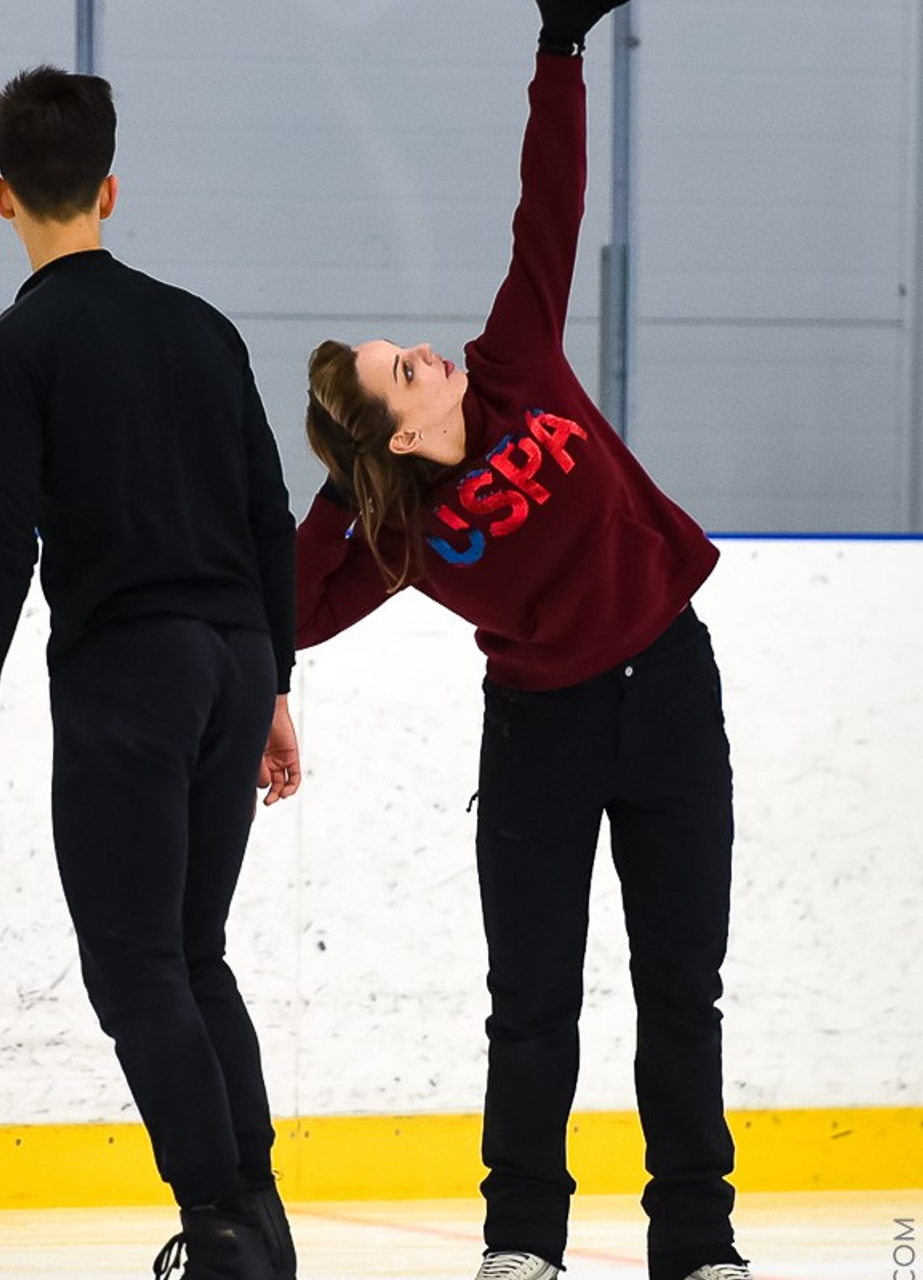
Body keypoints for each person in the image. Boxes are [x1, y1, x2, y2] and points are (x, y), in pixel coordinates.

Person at [285, 3, 752, 1279]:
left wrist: (557, 47)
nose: (427, 350)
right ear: (391, 429)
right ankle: (520, 1244)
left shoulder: (517, 361)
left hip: (669, 691)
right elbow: (289, 608)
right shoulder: (395, 533)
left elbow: (547, 204)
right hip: (541, 736)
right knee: (532, 1006)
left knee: (679, 990)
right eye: (405, 367)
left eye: (412, 347)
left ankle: (696, 1243)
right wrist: (339, 492)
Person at [0, 67, 302, 1280]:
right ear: (109, 186)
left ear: (0, 195)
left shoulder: (15, 345)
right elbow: (264, 508)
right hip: (235, 655)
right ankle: (259, 1219)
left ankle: (225, 1234)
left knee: (135, 964)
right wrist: (277, 682)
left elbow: (3, 539)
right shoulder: (203, 326)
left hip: (129, 672)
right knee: (194, 948)